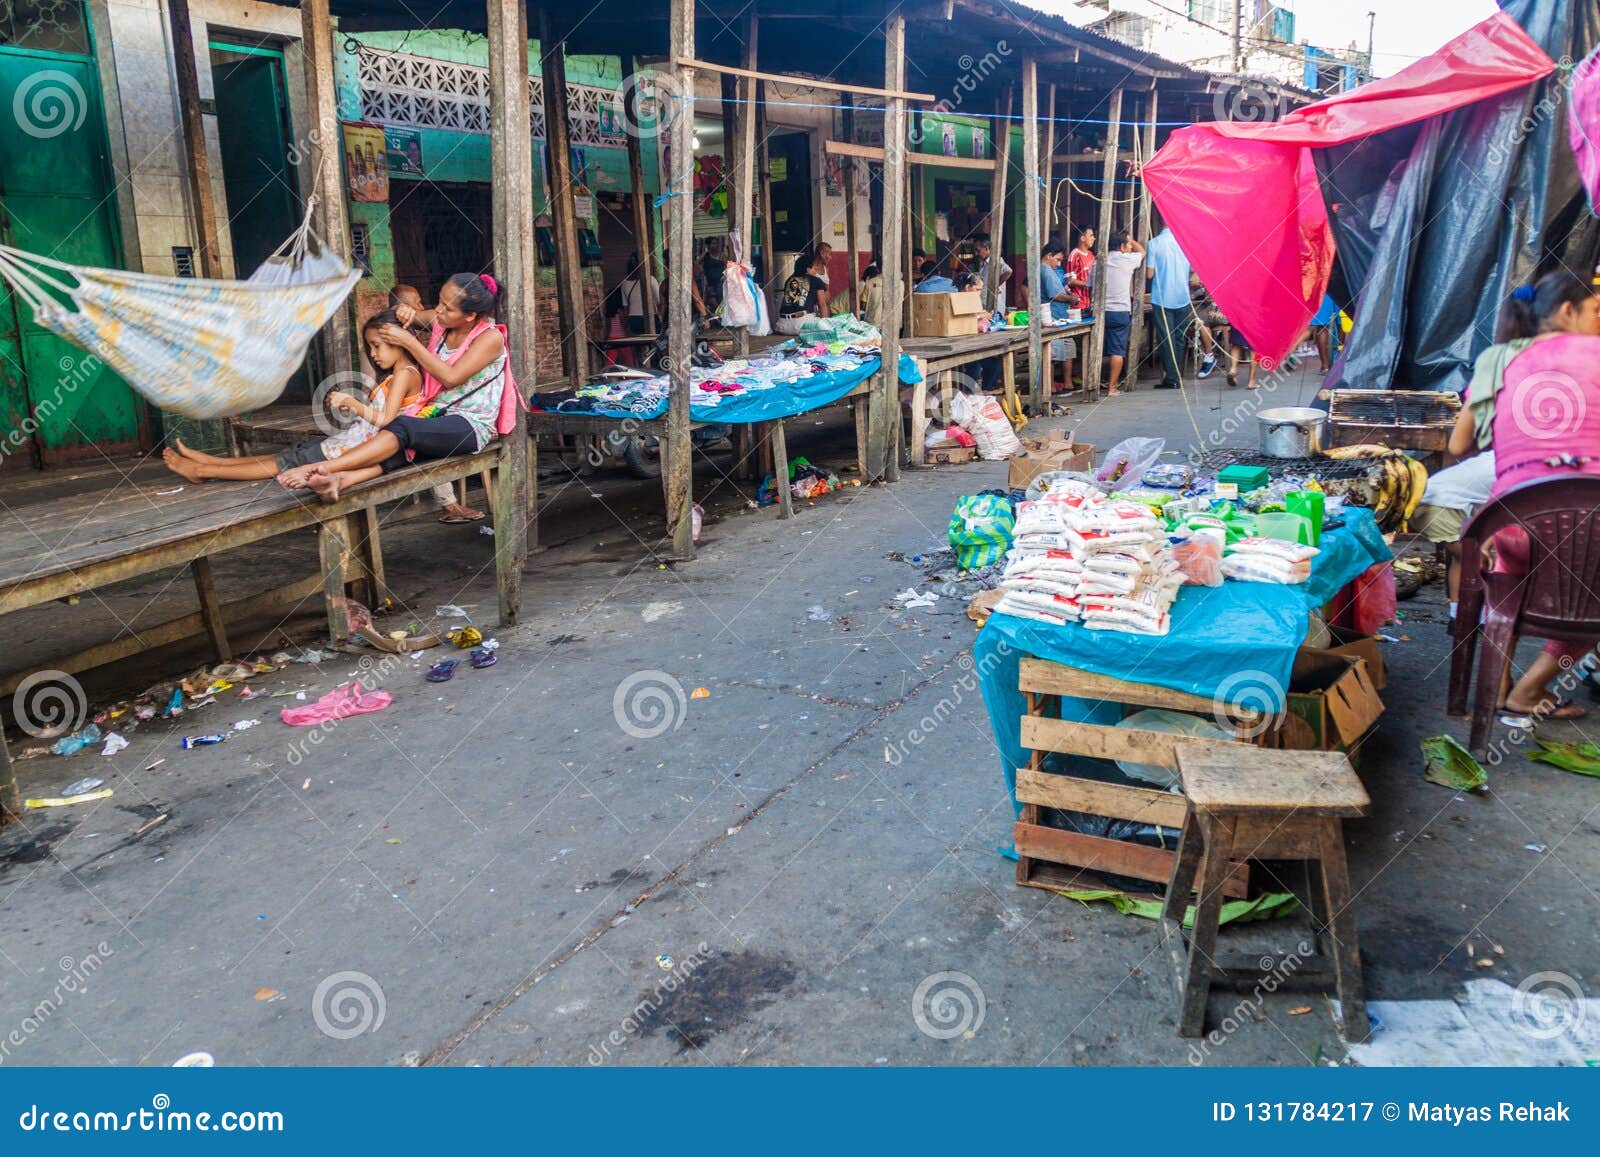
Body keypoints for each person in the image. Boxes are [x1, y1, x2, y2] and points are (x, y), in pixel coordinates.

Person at [1463, 271, 1600, 722]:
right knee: (1588, 594)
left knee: (1510, 575)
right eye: (1596, 312)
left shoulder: (1505, 361)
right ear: (1567, 311)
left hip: (1512, 528)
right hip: (1589, 544)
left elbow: (1472, 441)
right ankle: (1531, 687)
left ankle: (1497, 684)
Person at [282, 272, 517, 504]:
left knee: (401, 428)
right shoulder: (441, 323)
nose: (438, 310)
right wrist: (403, 312)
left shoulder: (490, 338)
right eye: (439, 302)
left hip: (470, 424)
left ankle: (317, 468)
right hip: (433, 414)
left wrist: (409, 341)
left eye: (448, 308)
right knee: (395, 444)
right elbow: (404, 317)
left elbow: (451, 378)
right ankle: (338, 480)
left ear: (470, 316)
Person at [163, 311, 421, 484]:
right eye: (370, 347)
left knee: (282, 462)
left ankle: (202, 470)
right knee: (287, 456)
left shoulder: (404, 375)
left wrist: (353, 404)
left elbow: (387, 419)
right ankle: (211, 461)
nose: (373, 354)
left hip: (354, 450)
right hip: (348, 444)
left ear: (399, 342)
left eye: (378, 345)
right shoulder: (400, 374)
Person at [1410, 450, 1496, 620]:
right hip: (1438, 506)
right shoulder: (1517, 469)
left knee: (1463, 560)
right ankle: (1475, 618)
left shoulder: (1499, 455)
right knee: (1476, 560)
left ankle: (1457, 616)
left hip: (1435, 502)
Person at [1146, 225, 1208, 389]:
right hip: (1182, 297)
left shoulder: (1154, 243)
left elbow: (1149, 274)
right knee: (1179, 338)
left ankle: (1172, 378)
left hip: (1162, 297)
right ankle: (1178, 375)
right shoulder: (1185, 243)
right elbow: (1194, 270)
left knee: (1167, 339)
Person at [1099, 230, 1144, 397]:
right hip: (1120, 311)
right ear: (1123, 246)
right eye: (1128, 244)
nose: (1131, 247)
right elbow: (1142, 252)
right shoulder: (1127, 259)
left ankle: (1094, 383)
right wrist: (1132, 238)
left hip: (1100, 312)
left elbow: (1089, 284)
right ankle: (1111, 388)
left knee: (1096, 347)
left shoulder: (1099, 261)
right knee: (1117, 351)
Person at [1037, 240, 1078, 391]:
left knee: (1068, 348)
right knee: (1053, 353)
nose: (1060, 264)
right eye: (1058, 259)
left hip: (1060, 318)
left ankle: (1067, 383)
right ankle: (1051, 387)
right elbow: (1055, 295)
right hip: (1052, 318)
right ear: (1049, 256)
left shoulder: (1049, 271)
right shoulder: (1045, 270)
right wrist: (1070, 298)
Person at [776, 247, 831, 334]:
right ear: (808, 269)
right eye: (814, 268)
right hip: (800, 325)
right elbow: (823, 305)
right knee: (830, 325)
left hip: (781, 326)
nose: (815, 271)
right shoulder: (816, 281)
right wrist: (827, 327)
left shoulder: (789, 280)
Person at [618, 254, 659, 337]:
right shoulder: (651, 280)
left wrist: (625, 324)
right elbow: (659, 301)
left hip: (633, 320)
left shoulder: (624, 284)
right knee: (653, 345)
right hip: (651, 318)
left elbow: (626, 309)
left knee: (637, 346)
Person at [973, 234, 1012, 312]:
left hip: (995, 306)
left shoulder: (997, 261)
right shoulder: (982, 263)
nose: (976, 253)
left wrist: (996, 285)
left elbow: (1008, 271)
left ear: (986, 248)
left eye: (978, 250)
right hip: (984, 302)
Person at [1065, 227, 1095, 313]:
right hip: (1078, 304)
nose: (1094, 238)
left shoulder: (1091, 255)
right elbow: (1070, 281)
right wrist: (1089, 284)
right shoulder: (1074, 254)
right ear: (1082, 238)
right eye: (1091, 235)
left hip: (1090, 303)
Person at [1309, 293, 1338, 373]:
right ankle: (1339, 361)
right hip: (1339, 285)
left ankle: (1325, 365)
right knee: (1341, 322)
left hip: (1322, 287)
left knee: (1322, 326)